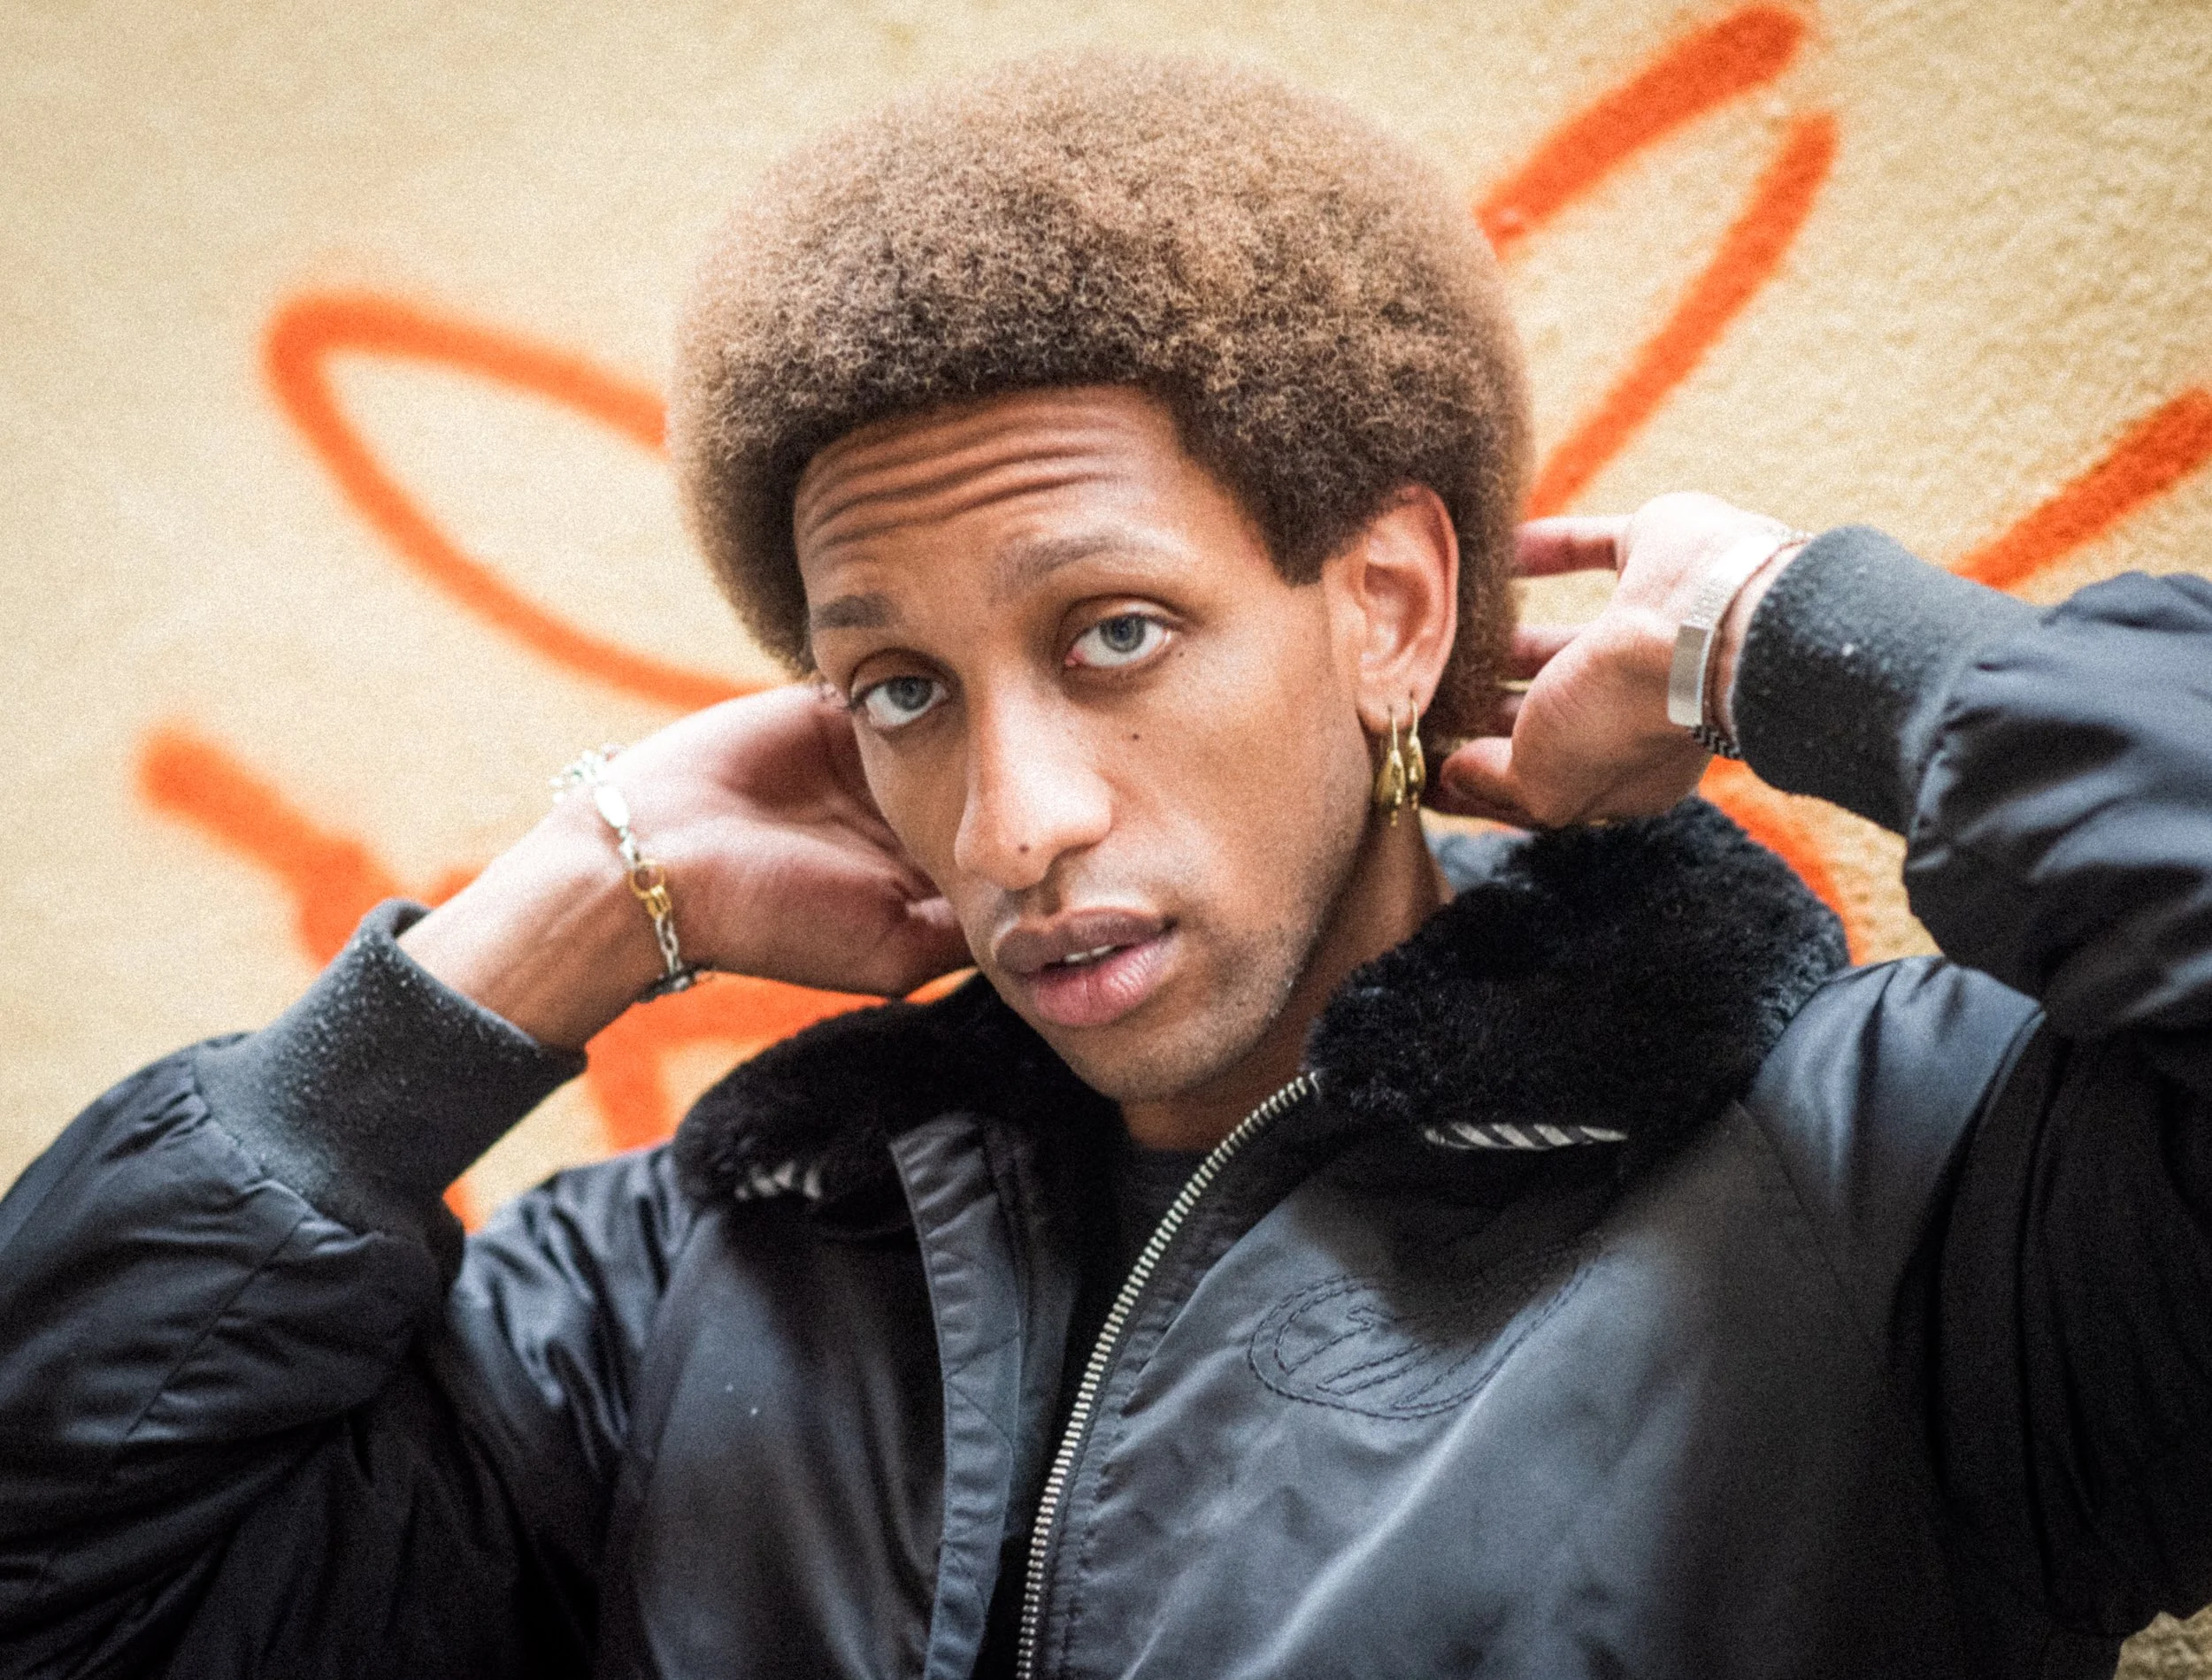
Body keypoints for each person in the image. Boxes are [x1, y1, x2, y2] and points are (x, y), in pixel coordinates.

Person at [2, 50, 2208, 1680]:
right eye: (900, 688)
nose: (1012, 819)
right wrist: (541, 929)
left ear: (1387, 609)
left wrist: (1799, 643)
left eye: (1113, 634)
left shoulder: (1888, 1185)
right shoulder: (696, 1283)